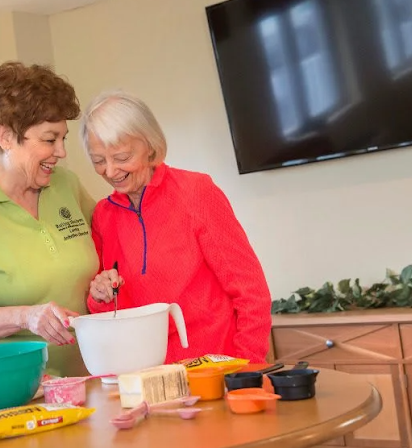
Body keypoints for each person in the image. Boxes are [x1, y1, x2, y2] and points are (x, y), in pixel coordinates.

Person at [80, 90, 272, 363]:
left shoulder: (196, 192)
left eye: (121, 157)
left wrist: (248, 367)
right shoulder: (103, 215)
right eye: (98, 161)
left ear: (150, 145)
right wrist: (99, 296)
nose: (110, 171)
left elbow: (250, 290)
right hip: (144, 377)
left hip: (213, 369)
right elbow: (110, 314)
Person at [0, 62, 98, 376]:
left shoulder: (65, 185)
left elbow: (108, 245)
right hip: (7, 387)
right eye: (50, 140)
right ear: (6, 137)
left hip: (78, 378)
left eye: (62, 139)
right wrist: (27, 316)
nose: (61, 152)